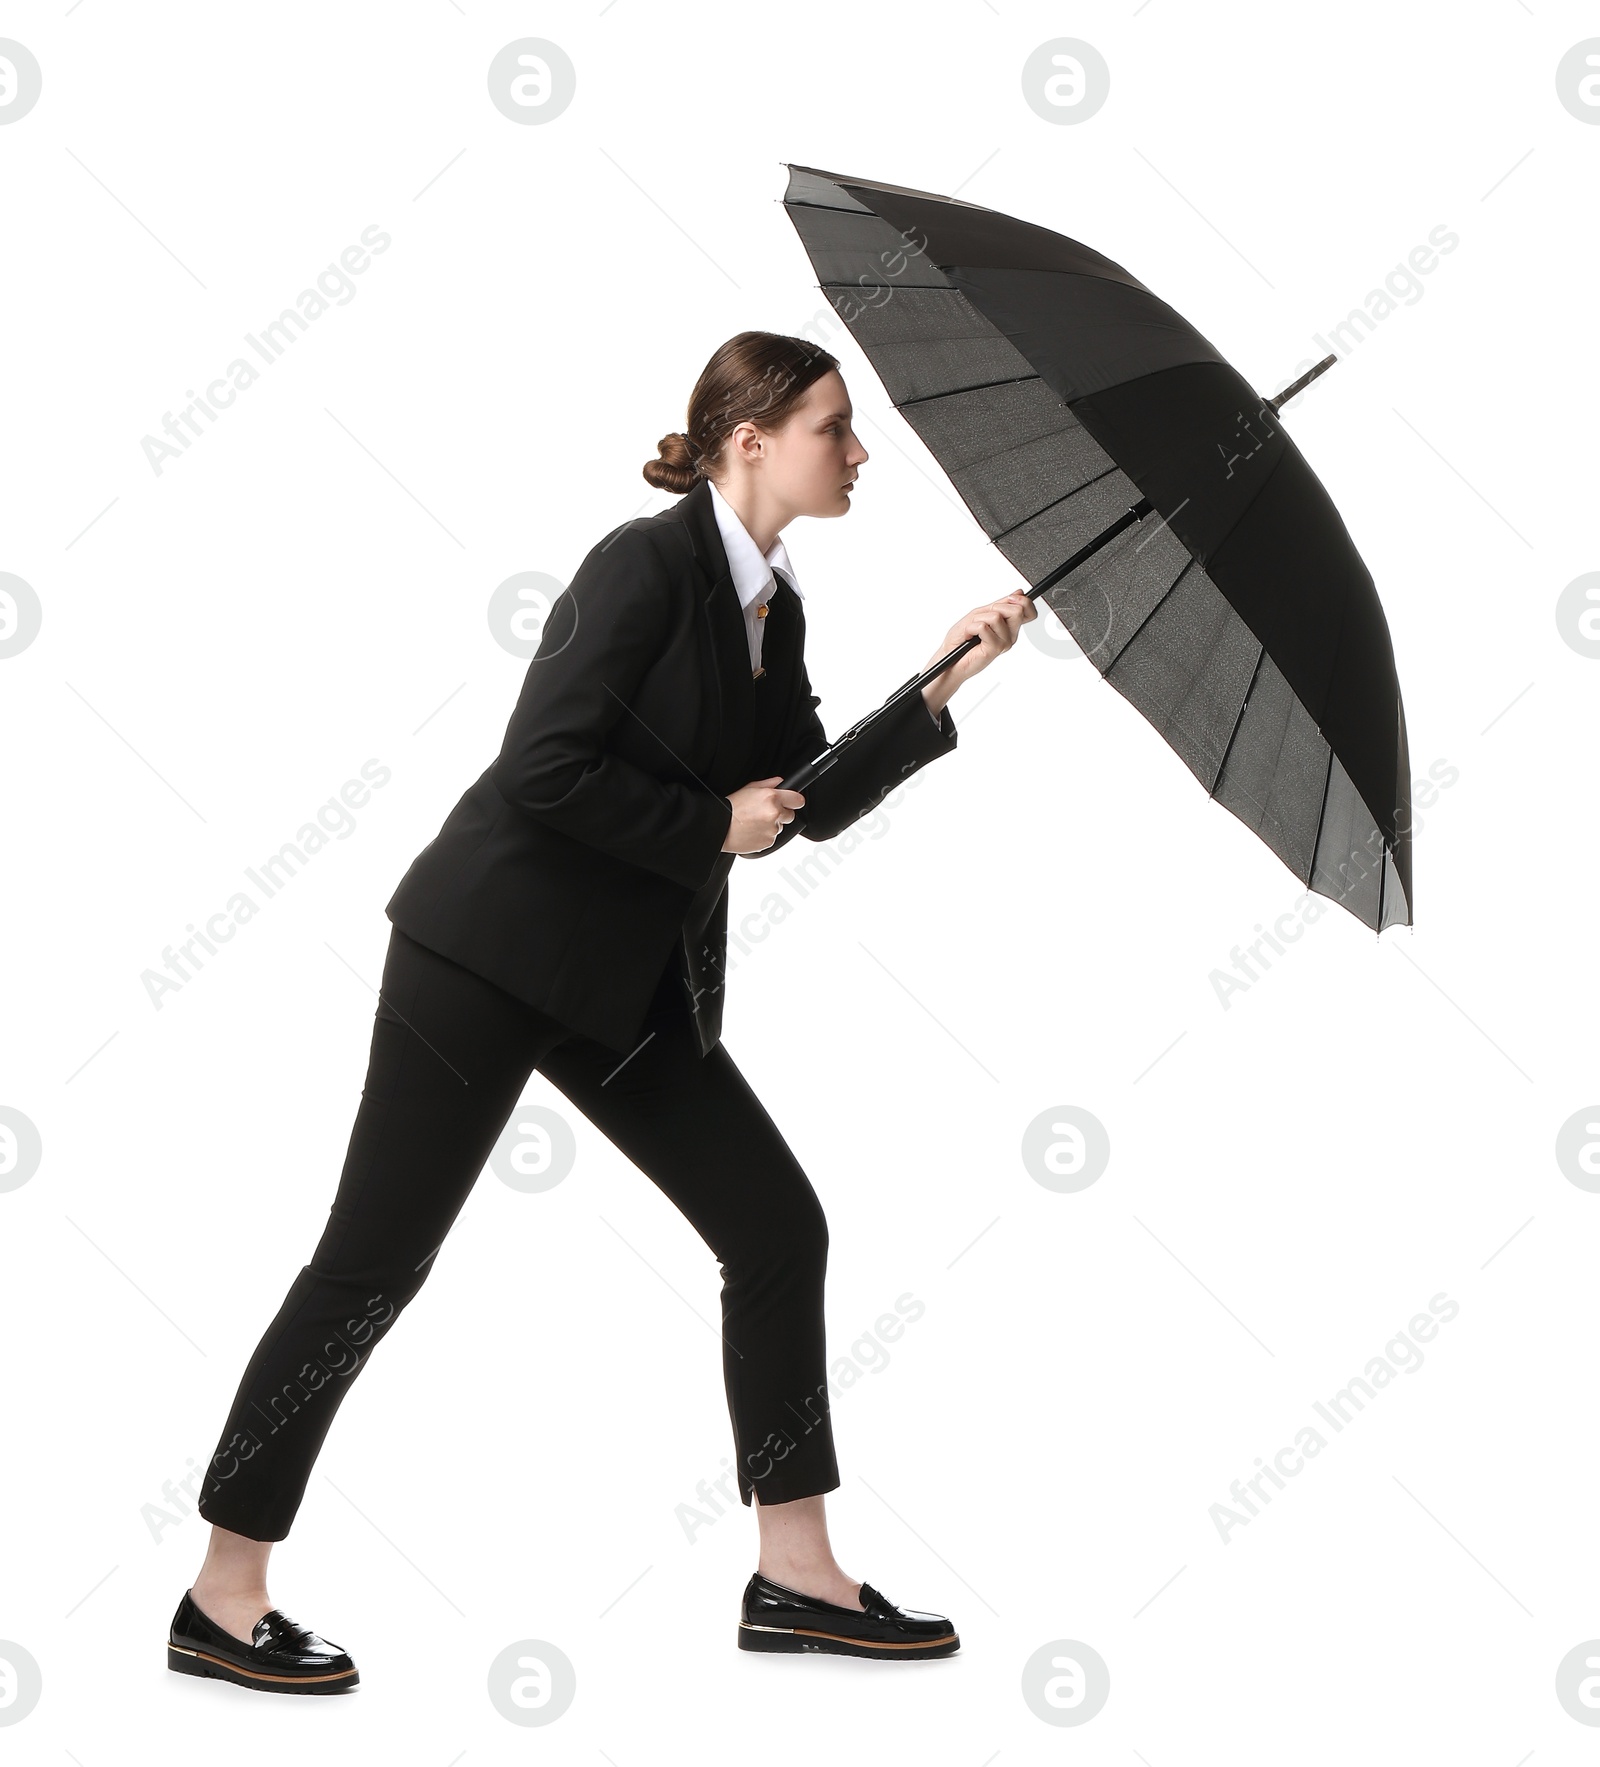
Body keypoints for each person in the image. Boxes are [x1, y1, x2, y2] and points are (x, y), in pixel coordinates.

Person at [167, 330, 1036, 1692]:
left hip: (622, 986)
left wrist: (941, 685)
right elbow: (541, 770)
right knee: (373, 1265)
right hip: (488, 955)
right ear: (750, 442)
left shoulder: (776, 606)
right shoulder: (641, 565)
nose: (859, 455)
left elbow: (791, 806)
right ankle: (223, 1594)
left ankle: (796, 1571)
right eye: (835, 429)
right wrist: (709, 820)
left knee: (774, 1222)